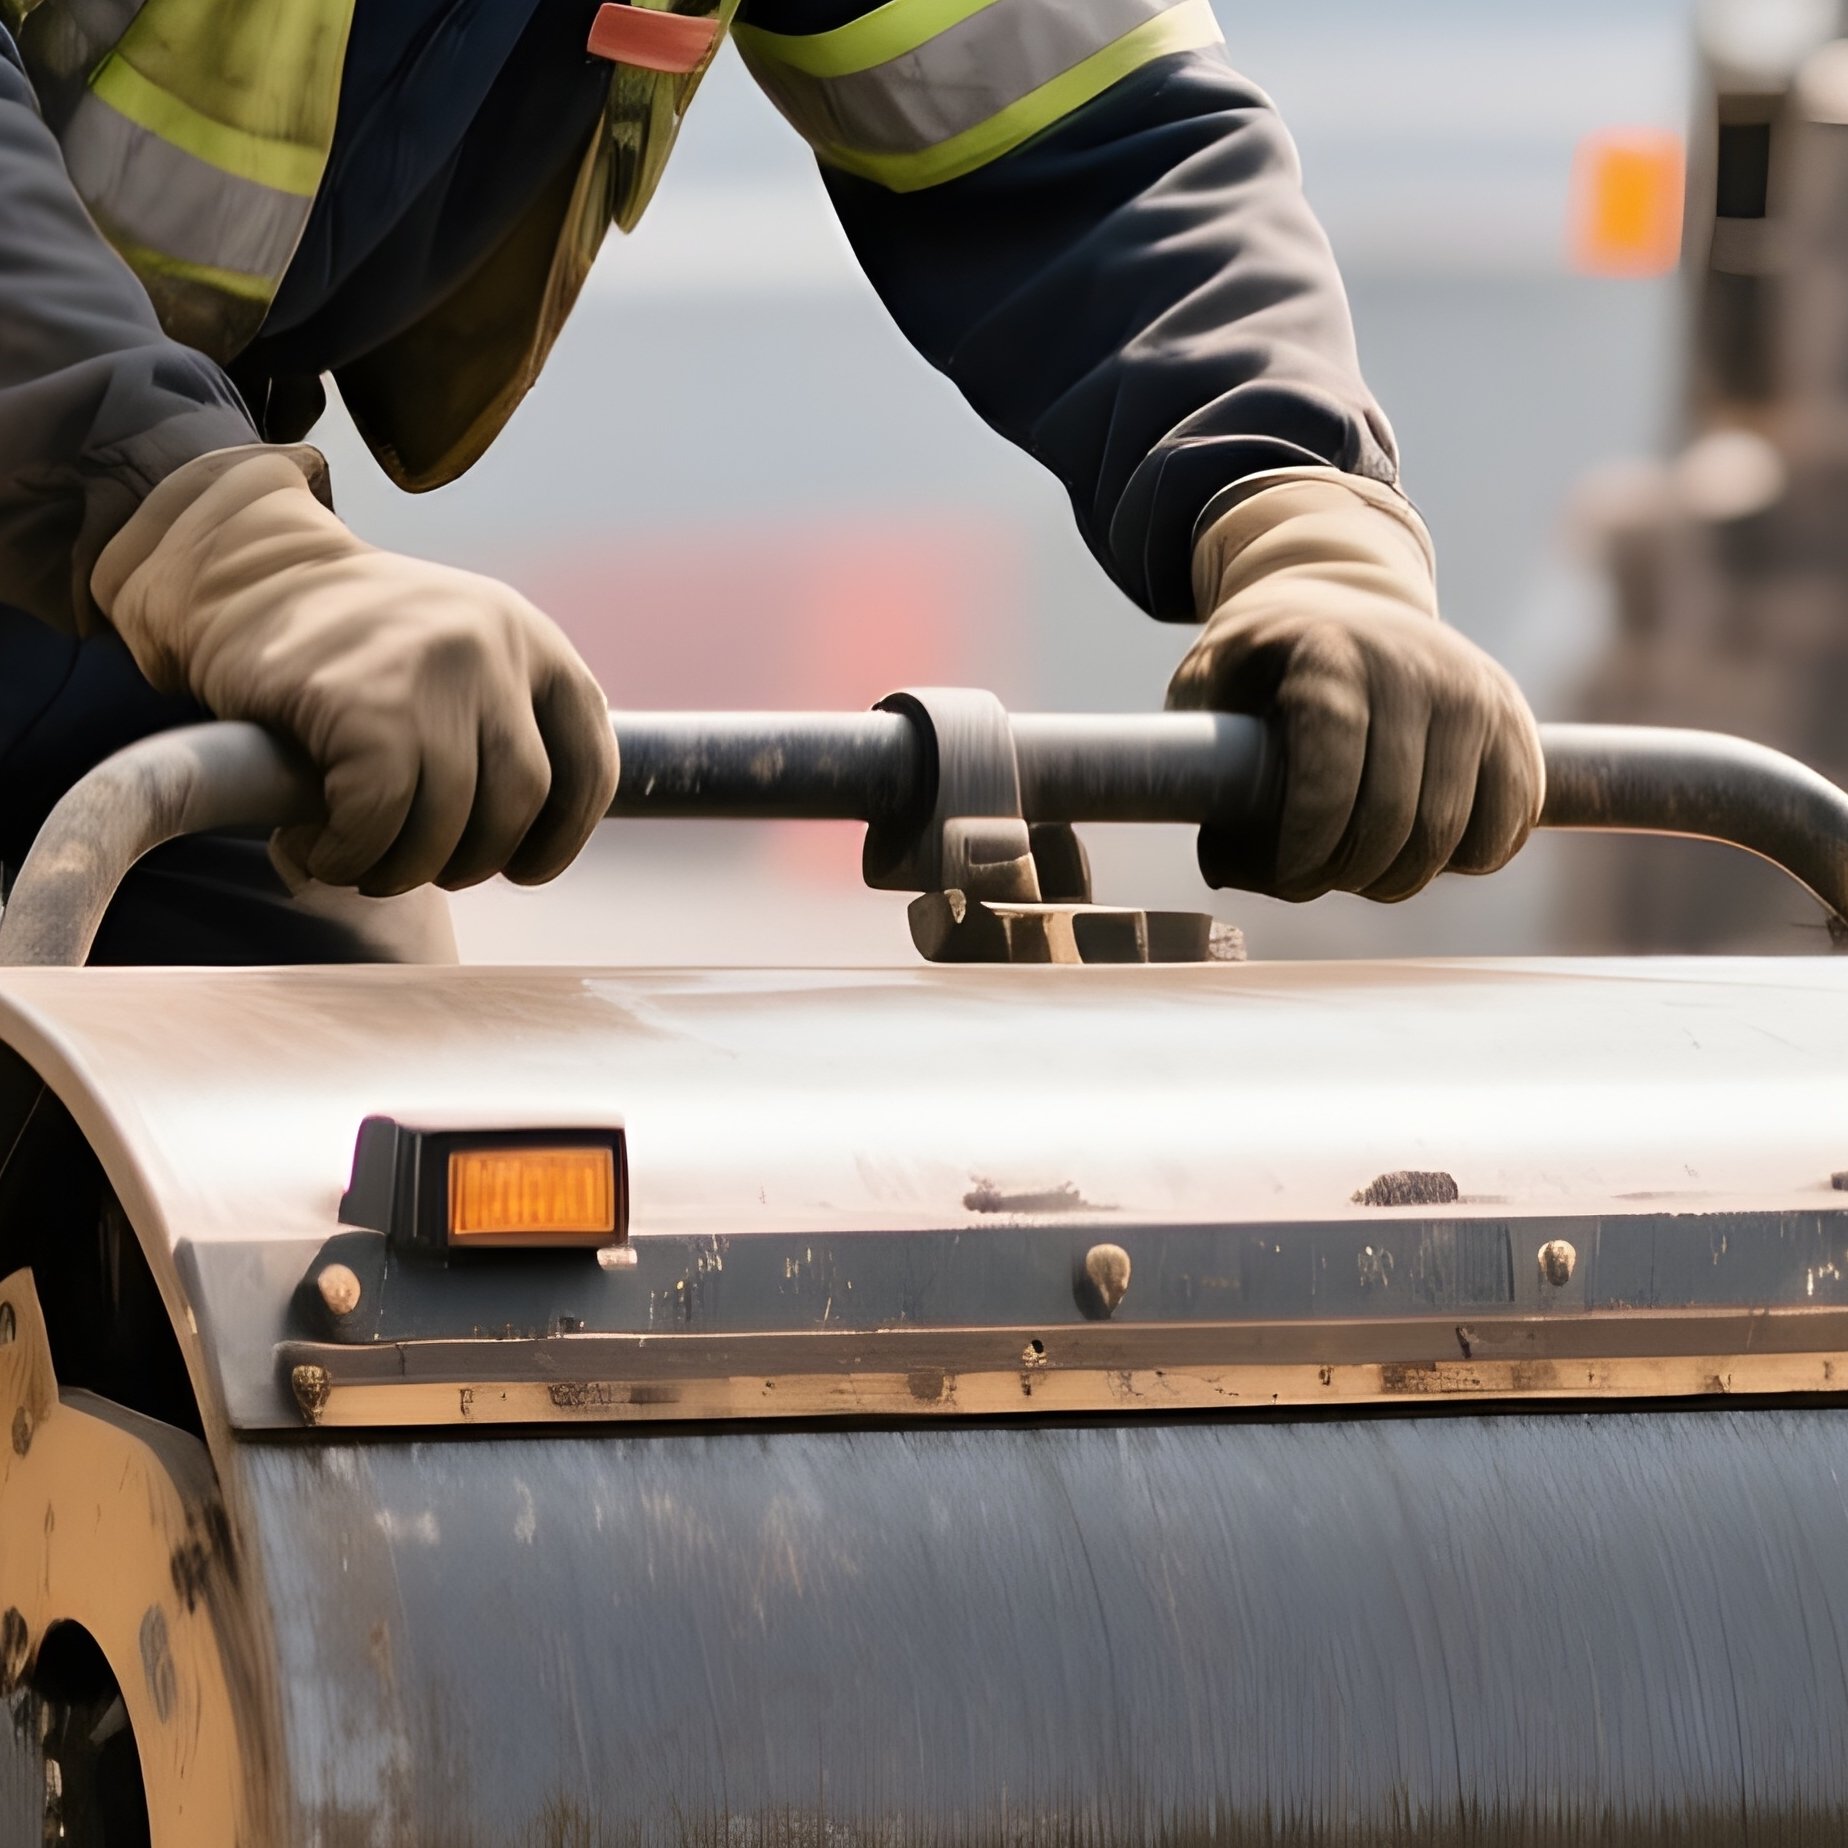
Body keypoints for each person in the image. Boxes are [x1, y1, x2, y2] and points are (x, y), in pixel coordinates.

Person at [0, 0, 1544, 963]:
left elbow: (1082, 131)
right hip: (139, 528)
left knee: (313, 1273)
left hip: (126, 603)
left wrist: (1306, 517)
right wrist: (206, 532)